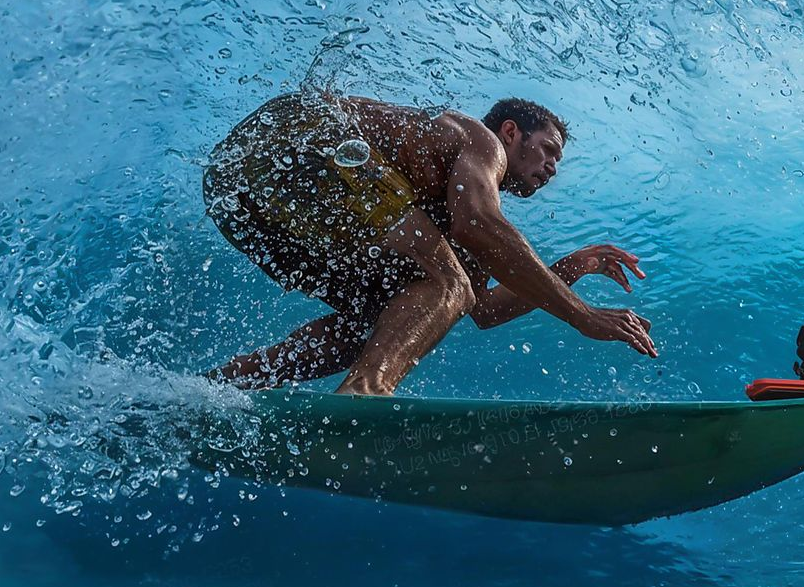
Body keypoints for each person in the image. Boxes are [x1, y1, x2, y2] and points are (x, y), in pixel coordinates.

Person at [203, 90, 657, 394]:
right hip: (300, 134)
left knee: (382, 321)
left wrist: (572, 267)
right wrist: (583, 316)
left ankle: (221, 388)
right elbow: (477, 224)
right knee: (445, 283)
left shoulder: (449, 206)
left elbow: (480, 308)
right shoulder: (480, 143)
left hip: (236, 188)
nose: (553, 167)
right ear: (512, 132)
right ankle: (362, 398)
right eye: (549, 149)